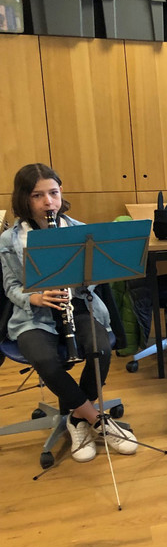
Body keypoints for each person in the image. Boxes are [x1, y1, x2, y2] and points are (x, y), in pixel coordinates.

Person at [0, 163, 137, 463]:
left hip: (78, 305)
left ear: (61, 192)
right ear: (24, 198)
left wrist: (81, 278)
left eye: (53, 193)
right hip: (34, 314)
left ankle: (76, 418)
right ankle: (94, 418)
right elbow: (10, 286)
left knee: (101, 349)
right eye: (38, 195)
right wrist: (36, 297)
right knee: (45, 360)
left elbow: (96, 276)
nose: (48, 202)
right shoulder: (10, 239)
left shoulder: (80, 231)